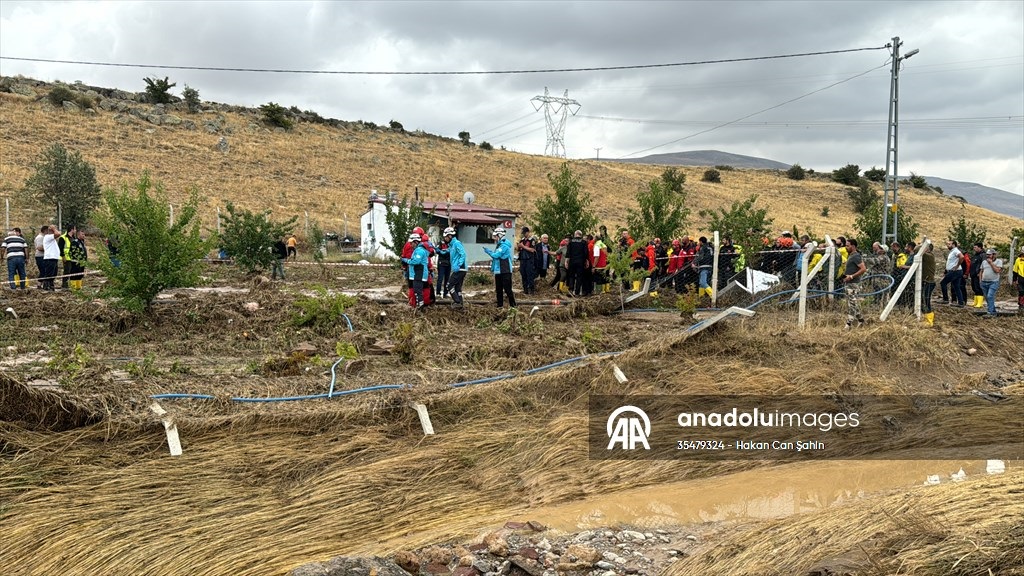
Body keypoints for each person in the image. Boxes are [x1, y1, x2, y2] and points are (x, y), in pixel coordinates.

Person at [484, 228, 515, 308]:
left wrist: (489, 252)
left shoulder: (504, 246)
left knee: (508, 290)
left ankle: (513, 306)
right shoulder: (499, 245)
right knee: (498, 290)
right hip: (498, 271)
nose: (494, 238)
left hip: (505, 270)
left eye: (495, 236)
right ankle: (500, 306)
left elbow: (496, 255)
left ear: (500, 235)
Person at [842, 238, 867, 330]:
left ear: (853, 246)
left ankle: (848, 324)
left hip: (853, 283)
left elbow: (863, 269)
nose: (846, 247)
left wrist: (852, 276)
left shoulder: (856, 256)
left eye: (847, 245)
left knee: (852, 303)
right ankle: (861, 321)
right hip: (849, 283)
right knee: (853, 303)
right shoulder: (851, 256)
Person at [400, 233, 429, 310]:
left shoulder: (420, 251)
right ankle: (419, 305)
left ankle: (420, 306)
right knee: (416, 290)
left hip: (419, 273)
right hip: (417, 273)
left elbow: (416, 261)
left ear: (416, 242)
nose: (410, 245)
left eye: (411, 243)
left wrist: (406, 260)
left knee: (418, 290)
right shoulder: (417, 250)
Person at [443, 227, 467, 307]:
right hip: (460, 269)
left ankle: (457, 302)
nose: (445, 239)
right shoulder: (452, 245)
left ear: (450, 236)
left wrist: (459, 264)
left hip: (460, 269)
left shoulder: (456, 243)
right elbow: (449, 251)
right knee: (457, 288)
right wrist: (441, 251)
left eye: (446, 237)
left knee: (449, 285)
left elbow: (463, 254)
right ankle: (460, 304)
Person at [940, 240, 965, 306]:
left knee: (943, 283)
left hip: (955, 271)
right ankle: (960, 302)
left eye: (949, 244)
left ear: (953, 245)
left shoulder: (955, 251)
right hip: (957, 271)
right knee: (956, 286)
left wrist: (957, 266)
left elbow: (962, 257)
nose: (947, 245)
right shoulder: (952, 251)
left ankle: (945, 299)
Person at [979, 248, 1003, 318]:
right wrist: (980, 281)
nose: (988, 256)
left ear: (994, 255)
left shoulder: (998, 261)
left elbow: (997, 271)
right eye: (987, 255)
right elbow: (981, 271)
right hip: (984, 282)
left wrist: (991, 263)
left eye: (989, 255)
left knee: (990, 296)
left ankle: (990, 312)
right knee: (987, 298)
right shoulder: (984, 262)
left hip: (993, 282)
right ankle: (993, 311)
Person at [516, 226, 537, 294]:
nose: (524, 234)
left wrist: (523, 246)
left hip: (529, 260)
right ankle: (525, 289)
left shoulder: (532, 240)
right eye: (523, 233)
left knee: (529, 275)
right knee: (523, 274)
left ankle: (531, 289)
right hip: (522, 259)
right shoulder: (522, 240)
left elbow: (532, 250)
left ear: (528, 232)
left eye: (525, 233)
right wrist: (518, 247)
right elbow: (519, 249)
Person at [40, 225, 60, 291]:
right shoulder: (47, 237)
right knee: (49, 274)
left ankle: (51, 285)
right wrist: (54, 228)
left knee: (54, 273)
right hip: (50, 258)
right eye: (54, 230)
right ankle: (46, 287)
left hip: (53, 258)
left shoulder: (51, 238)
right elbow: (58, 234)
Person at [921, 242, 937, 326]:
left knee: (926, 300)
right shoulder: (927, 256)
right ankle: (926, 317)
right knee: (923, 299)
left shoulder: (929, 256)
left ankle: (929, 320)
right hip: (926, 281)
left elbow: (917, 249)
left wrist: (920, 245)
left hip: (929, 282)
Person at [968, 242, 985, 308]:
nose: (974, 248)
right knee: (974, 288)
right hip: (973, 274)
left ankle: (980, 303)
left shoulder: (983, 255)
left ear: (980, 247)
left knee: (978, 288)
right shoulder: (975, 255)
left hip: (978, 274)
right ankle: (975, 302)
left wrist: (980, 272)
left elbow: (983, 264)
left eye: (975, 247)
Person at [436, 232, 452, 298]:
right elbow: (437, 250)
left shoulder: (451, 244)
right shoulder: (441, 243)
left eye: (447, 237)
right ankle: (438, 293)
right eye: (445, 237)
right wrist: (441, 252)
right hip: (441, 263)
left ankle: (446, 293)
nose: (446, 238)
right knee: (440, 279)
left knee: (447, 279)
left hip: (449, 263)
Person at [1013, 246, 1024, 313]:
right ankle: (1021, 304)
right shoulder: (1018, 260)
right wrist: (1014, 280)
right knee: (1021, 292)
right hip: (1020, 278)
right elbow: (1015, 270)